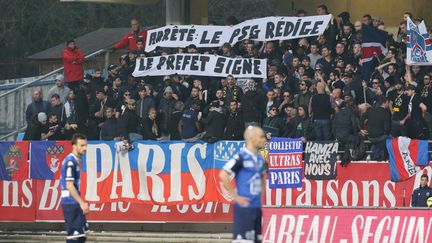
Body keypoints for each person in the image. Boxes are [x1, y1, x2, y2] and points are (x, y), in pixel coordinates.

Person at [219, 126, 266, 243]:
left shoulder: (260, 158)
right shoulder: (241, 156)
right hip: (244, 208)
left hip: (256, 207)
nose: (264, 139)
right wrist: (236, 197)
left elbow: (263, 178)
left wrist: (260, 197)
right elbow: (223, 174)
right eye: (261, 137)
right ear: (251, 138)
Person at [60, 133, 89, 243]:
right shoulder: (71, 161)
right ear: (74, 146)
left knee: (82, 235)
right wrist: (81, 203)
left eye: (86, 145)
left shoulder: (75, 160)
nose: (85, 148)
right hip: (70, 203)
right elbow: (69, 185)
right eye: (82, 145)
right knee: (75, 237)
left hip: (73, 203)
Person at [360, 96, 391, 161]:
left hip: (369, 136)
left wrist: (361, 129)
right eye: (388, 103)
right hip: (380, 137)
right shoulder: (386, 113)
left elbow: (362, 118)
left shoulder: (370, 110)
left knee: (377, 144)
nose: (388, 104)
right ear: (385, 103)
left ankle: (372, 155)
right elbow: (387, 129)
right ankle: (385, 158)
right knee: (390, 138)